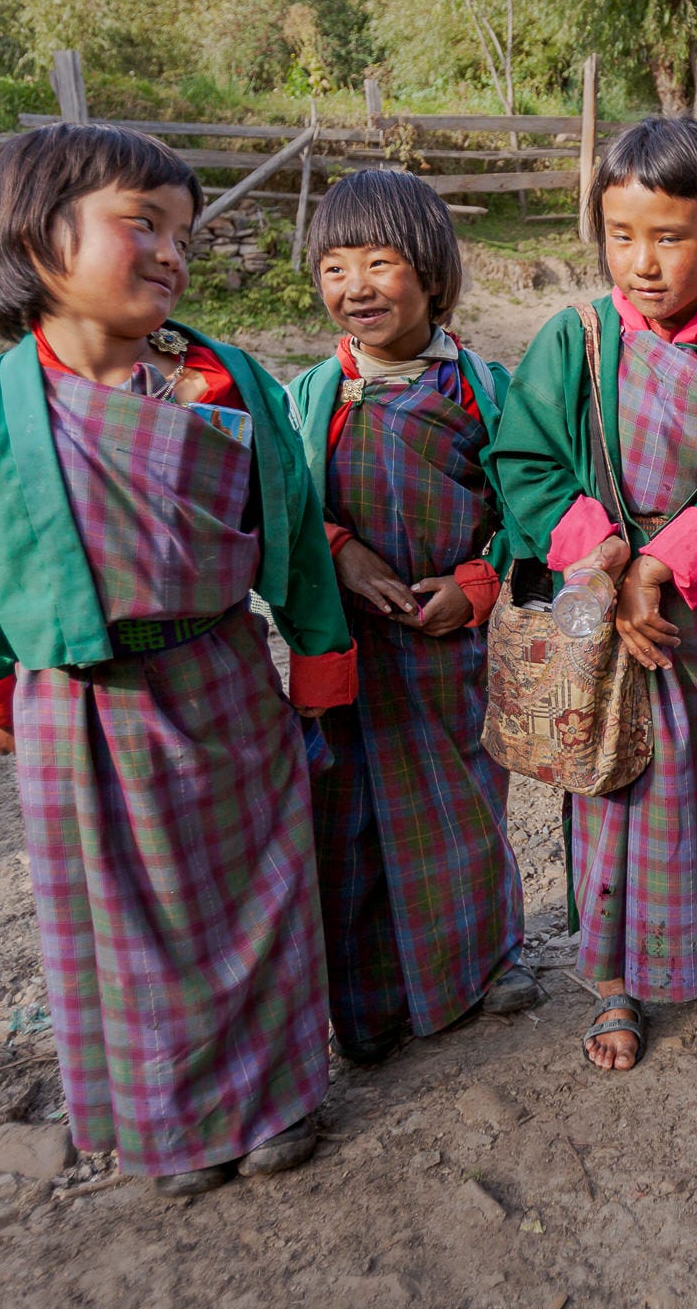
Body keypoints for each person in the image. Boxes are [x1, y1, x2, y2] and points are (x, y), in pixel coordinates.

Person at [0, 123, 355, 1197]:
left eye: (183, 233)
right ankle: (176, 1122)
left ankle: (281, 1096)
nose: (170, 252)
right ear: (36, 242)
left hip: (223, 677)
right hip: (79, 703)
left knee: (265, 890)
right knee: (126, 918)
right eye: (140, 224)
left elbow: (288, 523)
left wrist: (320, 652)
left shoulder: (222, 383)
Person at [490, 116, 697, 1070]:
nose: (644, 263)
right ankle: (615, 980)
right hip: (594, 592)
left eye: (670, 237)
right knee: (607, 777)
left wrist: (663, 567)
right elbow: (525, 461)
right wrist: (612, 564)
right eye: (622, 236)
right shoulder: (571, 340)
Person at [284, 169, 543, 1067]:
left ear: (432, 273)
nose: (355, 286)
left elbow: (528, 509)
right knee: (345, 821)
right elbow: (279, 509)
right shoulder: (308, 398)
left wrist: (475, 584)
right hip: (350, 654)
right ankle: (367, 1000)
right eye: (333, 268)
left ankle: (483, 964)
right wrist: (339, 547)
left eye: (380, 262)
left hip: (448, 651)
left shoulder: (486, 390)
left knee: (463, 811)